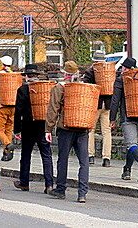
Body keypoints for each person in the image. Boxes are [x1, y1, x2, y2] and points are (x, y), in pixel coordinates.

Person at [45, 61, 89, 203]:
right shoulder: (84, 87)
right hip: (82, 128)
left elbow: (53, 109)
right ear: (77, 73)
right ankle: (82, 193)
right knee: (84, 161)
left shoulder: (60, 87)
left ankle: (61, 190)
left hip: (66, 128)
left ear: (64, 72)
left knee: (63, 159)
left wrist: (48, 129)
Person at [110, 57, 138, 183]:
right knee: (132, 143)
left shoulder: (121, 80)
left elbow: (115, 101)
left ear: (124, 68)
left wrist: (112, 118)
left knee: (131, 144)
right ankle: (127, 170)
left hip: (127, 117)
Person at [13, 64, 54, 193]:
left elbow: (18, 111)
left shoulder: (23, 89)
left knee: (26, 155)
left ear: (26, 76)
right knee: (46, 155)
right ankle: (49, 184)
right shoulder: (46, 89)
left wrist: (17, 129)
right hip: (43, 126)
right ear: (37, 76)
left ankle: (24, 182)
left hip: (28, 126)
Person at [83, 50, 112, 167]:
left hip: (95, 103)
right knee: (107, 131)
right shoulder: (110, 71)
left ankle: (90, 156)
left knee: (91, 129)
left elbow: (86, 86)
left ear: (94, 60)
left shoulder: (90, 71)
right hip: (108, 104)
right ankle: (106, 158)